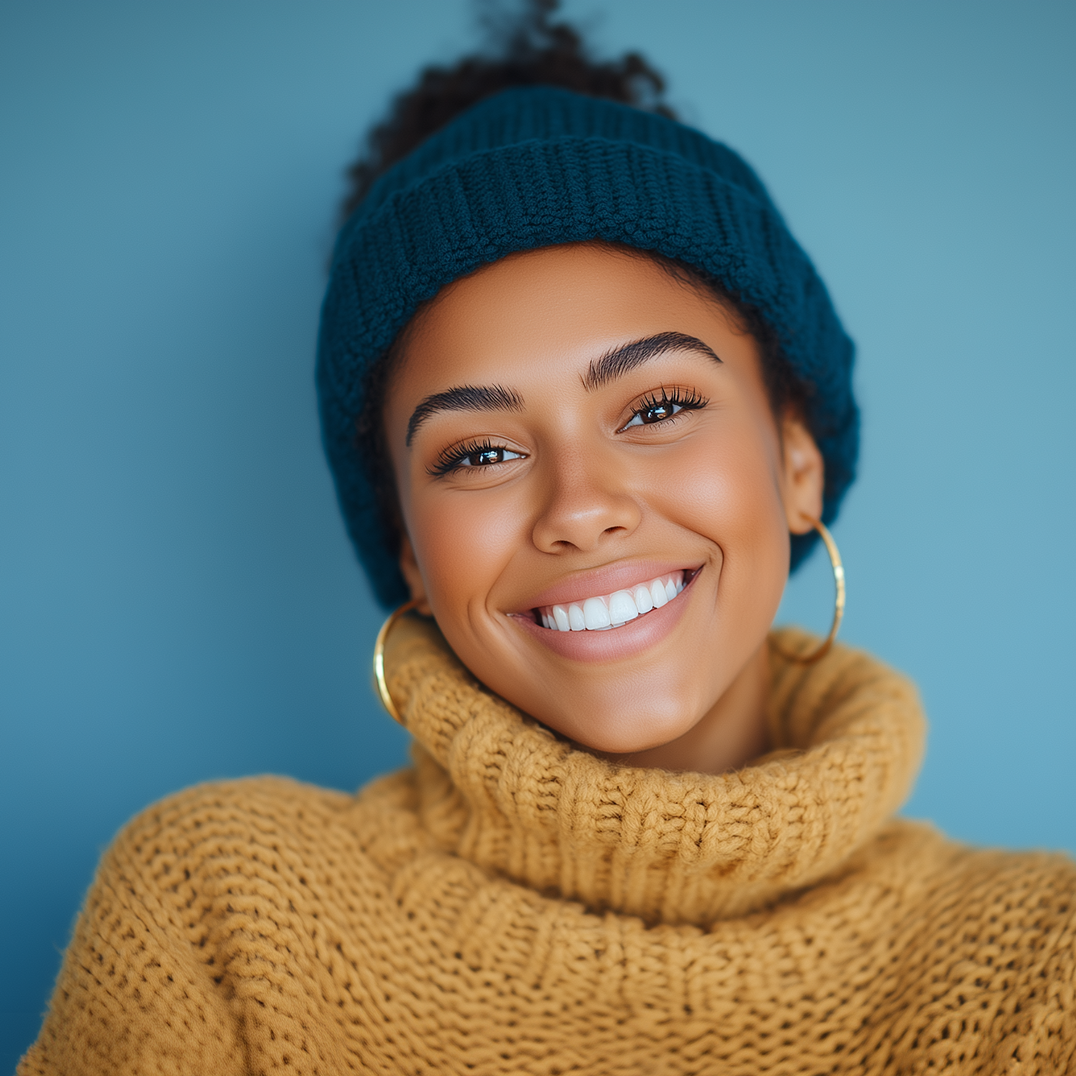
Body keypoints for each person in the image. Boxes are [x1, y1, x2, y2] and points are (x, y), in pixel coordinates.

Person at [20, 3, 1075, 1073]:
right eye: (476, 453)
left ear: (794, 459)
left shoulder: (1043, 960)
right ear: (411, 555)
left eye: (658, 407)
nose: (578, 505)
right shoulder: (224, 911)